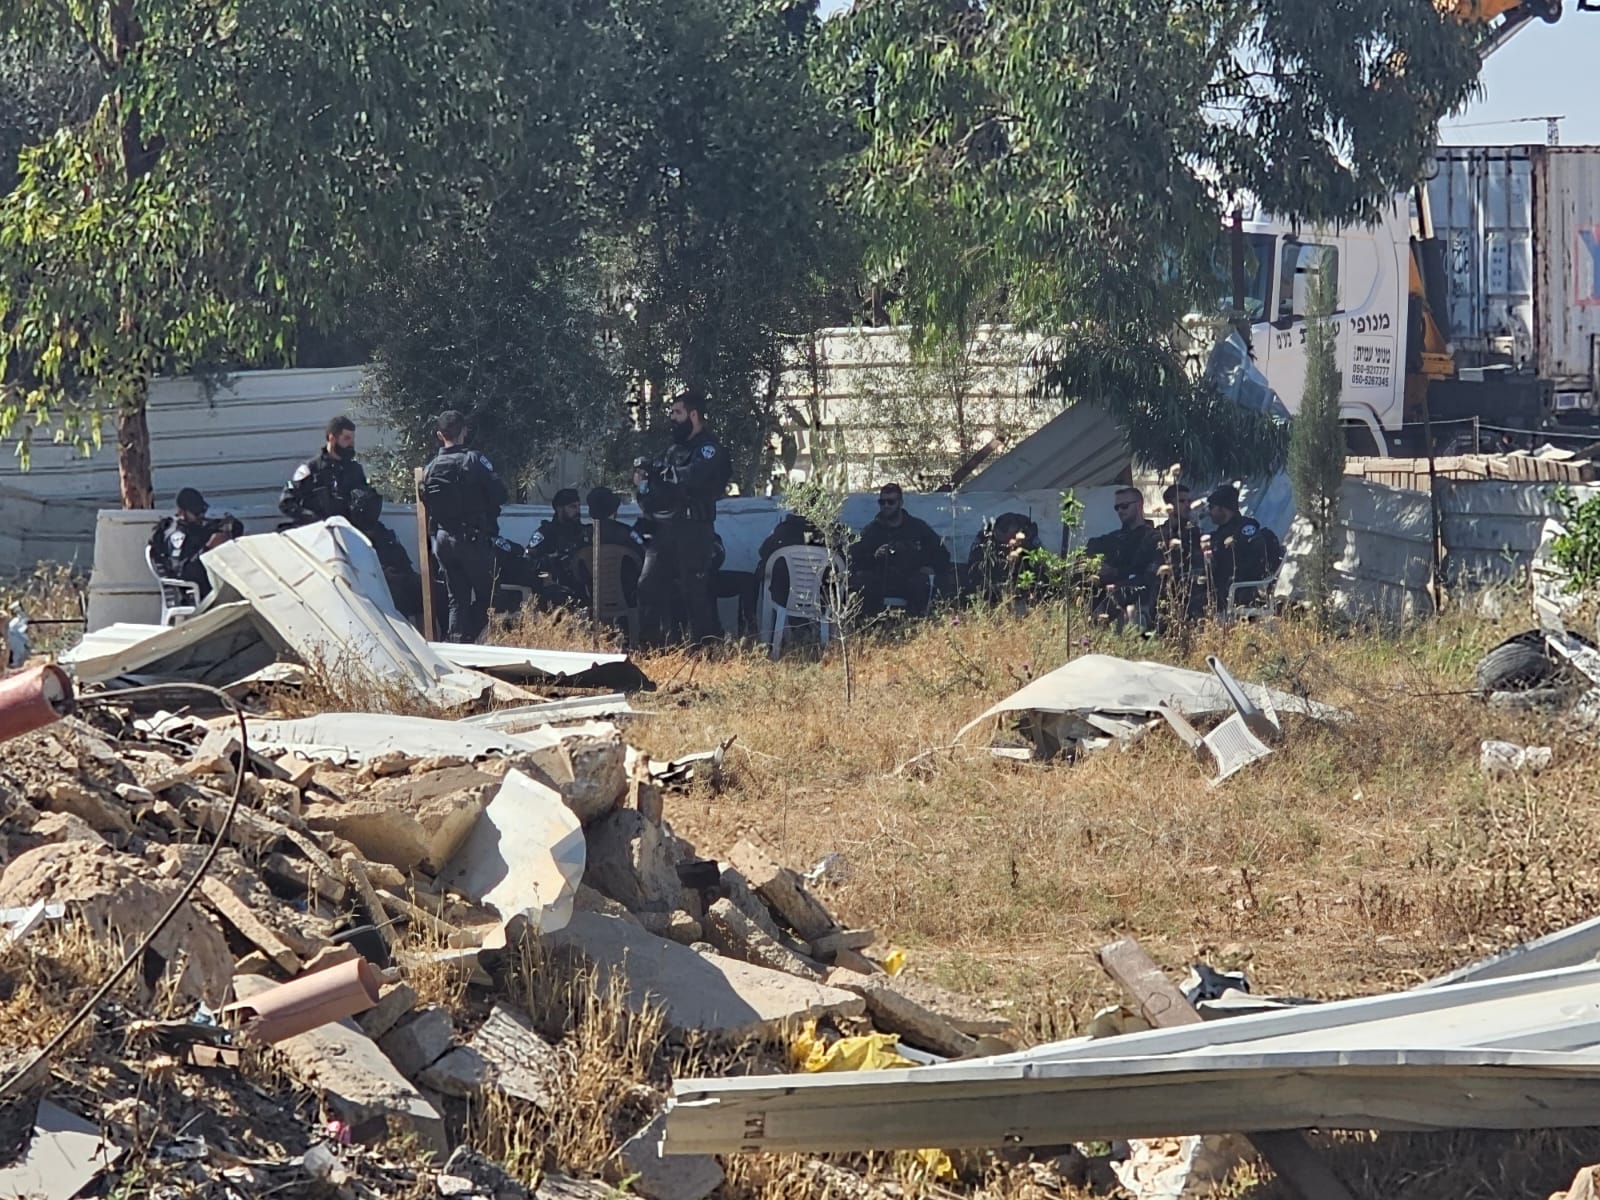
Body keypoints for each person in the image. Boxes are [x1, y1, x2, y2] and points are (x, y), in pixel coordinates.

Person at [634, 392, 732, 646]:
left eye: (677, 413)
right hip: (665, 530)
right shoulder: (672, 451)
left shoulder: (709, 448)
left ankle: (704, 650)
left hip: (694, 531)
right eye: (672, 413)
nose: (672, 419)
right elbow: (654, 491)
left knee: (694, 591)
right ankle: (649, 648)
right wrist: (644, 483)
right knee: (648, 585)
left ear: (693, 415)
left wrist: (661, 475)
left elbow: (693, 477)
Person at [421, 409, 508, 643]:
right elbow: (500, 494)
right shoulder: (474, 460)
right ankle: (486, 645)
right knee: (491, 598)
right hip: (472, 540)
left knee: (456, 599)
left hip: (442, 541)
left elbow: (424, 500)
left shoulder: (430, 468)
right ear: (464, 431)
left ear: (440, 435)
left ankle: (458, 647)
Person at [850, 483, 951, 617]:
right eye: (882, 502)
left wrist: (930, 566)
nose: (886, 506)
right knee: (862, 582)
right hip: (880, 581)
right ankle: (870, 628)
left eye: (891, 502)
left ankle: (916, 627)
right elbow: (855, 558)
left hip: (909, 579)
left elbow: (942, 554)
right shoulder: (872, 530)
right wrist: (874, 556)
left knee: (921, 583)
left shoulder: (917, 528)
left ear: (900, 503)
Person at [1083, 487, 1162, 628]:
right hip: (1109, 605)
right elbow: (1091, 547)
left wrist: (1117, 572)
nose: (1120, 511)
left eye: (1124, 506)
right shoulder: (1115, 538)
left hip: (1137, 604)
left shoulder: (1153, 538)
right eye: (1117, 507)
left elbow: (1149, 576)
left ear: (1139, 505)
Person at [148, 487, 242, 601]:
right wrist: (208, 547)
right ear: (182, 512)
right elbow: (184, 572)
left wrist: (227, 528)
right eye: (196, 513)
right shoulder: (177, 535)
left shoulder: (195, 527)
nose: (201, 516)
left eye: (202, 511)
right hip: (194, 593)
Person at [347, 487, 425, 626]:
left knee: (424, 590)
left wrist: (407, 574)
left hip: (401, 575)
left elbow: (399, 555)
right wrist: (387, 574)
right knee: (397, 598)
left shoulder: (381, 529)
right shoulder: (353, 534)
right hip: (382, 583)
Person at [1206, 483, 1284, 614]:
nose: (1209, 512)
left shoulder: (1243, 532)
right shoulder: (1225, 531)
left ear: (1222, 509)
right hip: (1230, 588)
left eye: (1211, 507)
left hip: (1239, 591)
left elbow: (1251, 567)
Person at [280, 415, 369, 526]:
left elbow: (366, 499)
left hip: (348, 532)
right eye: (347, 438)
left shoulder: (355, 470)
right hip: (315, 533)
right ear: (332, 438)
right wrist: (310, 517)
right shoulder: (309, 468)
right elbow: (287, 500)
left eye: (352, 439)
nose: (352, 444)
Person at [575, 486, 645, 610]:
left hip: (592, 597)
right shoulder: (627, 533)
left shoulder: (582, 535)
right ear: (614, 510)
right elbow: (643, 559)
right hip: (628, 597)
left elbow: (576, 568)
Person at [526, 487, 591, 608]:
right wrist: (550, 563)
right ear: (559, 508)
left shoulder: (586, 532)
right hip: (555, 593)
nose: (577, 511)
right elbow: (529, 560)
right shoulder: (545, 533)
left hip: (584, 591)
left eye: (578, 506)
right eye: (572, 507)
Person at [1156, 484, 1207, 621]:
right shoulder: (1160, 533)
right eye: (1182, 501)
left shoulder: (1195, 532)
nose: (1187, 505)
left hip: (1191, 591)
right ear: (1169, 504)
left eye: (1189, 501)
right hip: (1164, 591)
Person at [965, 512, 1041, 604]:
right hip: (990, 595)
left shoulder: (1027, 546)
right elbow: (973, 571)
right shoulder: (986, 540)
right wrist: (1001, 563)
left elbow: (1038, 575)